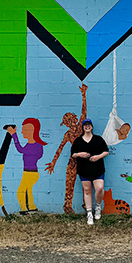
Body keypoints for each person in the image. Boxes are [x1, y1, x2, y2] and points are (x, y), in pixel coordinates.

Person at [45, 84, 89, 214]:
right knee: (69, 183)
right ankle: (67, 206)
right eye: (67, 121)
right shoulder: (68, 134)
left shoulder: (81, 127)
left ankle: (86, 204)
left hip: (85, 159)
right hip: (73, 160)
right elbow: (60, 148)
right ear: (66, 124)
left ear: (74, 119)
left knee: (86, 182)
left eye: (71, 119)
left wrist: (84, 95)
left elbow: (84, 112)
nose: (70, 122)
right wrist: (53, 163)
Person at [70, 118, 109, 224]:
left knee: (99, 188)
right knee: (87, 191)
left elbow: (106, 151)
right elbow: (73, 154)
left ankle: (98, 207)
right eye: (85, 125)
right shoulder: (78, 140)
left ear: (92, 127)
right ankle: (89, 214)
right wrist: (80, 154)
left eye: (89, 125)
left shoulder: (98, 139)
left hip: (98, 169)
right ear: (82, 127)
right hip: (84, 169)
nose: (87, 127)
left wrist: (98, 157)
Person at [9, 119, 46, 214]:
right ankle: (31, 206)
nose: (22, 132)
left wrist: (14, 135)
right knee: (28, 190)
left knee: (21, 191)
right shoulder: (30, 144)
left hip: (31, 173)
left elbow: (21, 150)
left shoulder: (36, 145)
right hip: (28, 172)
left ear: (32, 131)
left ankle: (24, 209)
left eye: (24, 129)